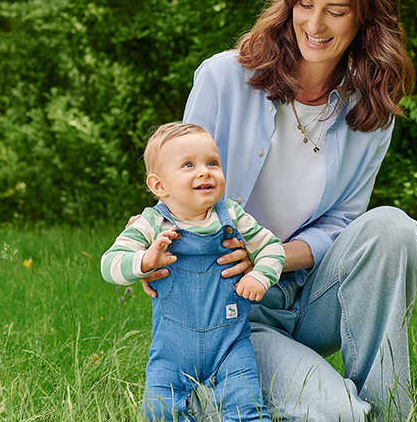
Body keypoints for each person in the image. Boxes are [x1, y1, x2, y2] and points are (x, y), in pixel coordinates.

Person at [139, 0, 417, 420]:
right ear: (289, 1)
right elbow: (177, 185)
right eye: (305, 4)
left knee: (393, 228)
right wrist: (153, 248)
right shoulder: (223, 77)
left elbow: (344, 222)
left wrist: (270, 254)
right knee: (341, 416)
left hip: (311, 295)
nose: (315, 25)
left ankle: (391, 413)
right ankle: (207, 390)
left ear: (365, 19)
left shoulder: (370, 109)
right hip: (232, 313)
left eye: (336, 11)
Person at [102, 122, 285, 422]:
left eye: (212, 162)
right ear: (159, 186)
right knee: (159, 412)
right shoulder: (151, 224)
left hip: (231, 344)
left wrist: (258, 276)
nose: (205, 171)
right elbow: (109, 264)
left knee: (246, 408)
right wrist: (145, 261)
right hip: (172, 352)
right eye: (188, 165)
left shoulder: (232, 216)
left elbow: (272, 249)